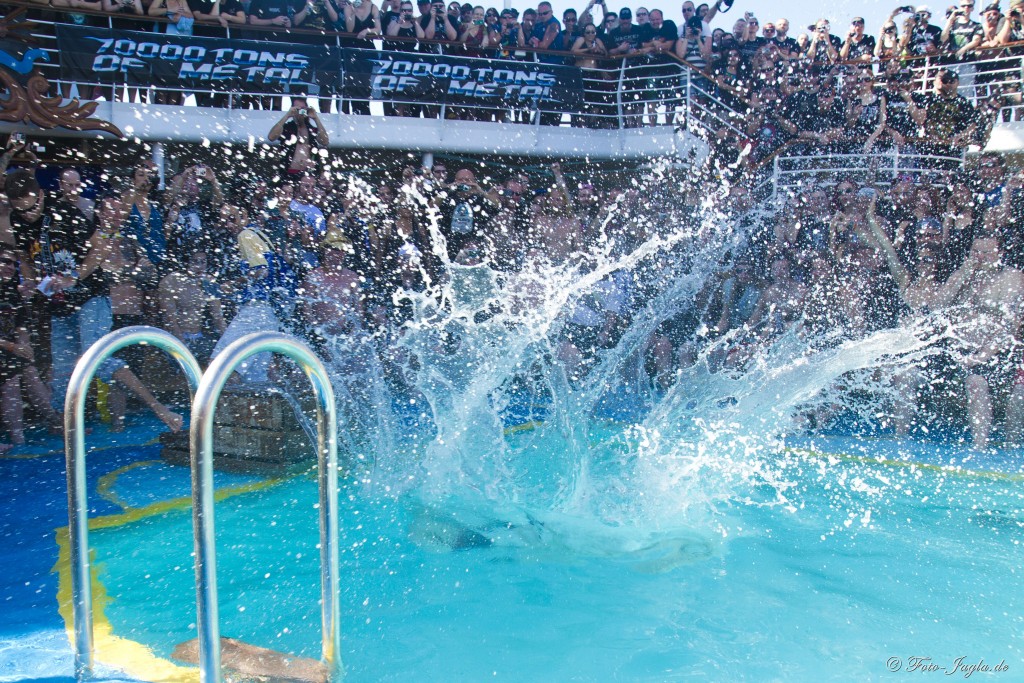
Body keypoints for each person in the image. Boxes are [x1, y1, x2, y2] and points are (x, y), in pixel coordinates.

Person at [268, 99, 330, 179]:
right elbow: (271, 137)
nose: (301, 112)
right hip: (289, 173)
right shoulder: (287, 128)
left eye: (303, 109)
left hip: (309, 174)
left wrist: (316, 118)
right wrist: (287, 115)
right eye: (298, 109)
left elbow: (325, 141)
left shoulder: (312, 130)